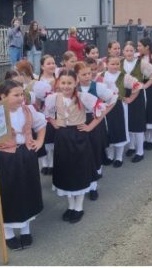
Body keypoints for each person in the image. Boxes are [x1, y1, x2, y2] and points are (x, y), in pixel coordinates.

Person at [0, 80, 45, 251]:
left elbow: (41, 125)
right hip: (4, 159)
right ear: (3, 96)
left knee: (26, 192)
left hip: (26, 155)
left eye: (22, 94)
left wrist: (39, 141)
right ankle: (8, 233)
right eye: (16, 95)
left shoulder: (28, 110)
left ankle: (25, 229)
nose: (20, 98)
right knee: (7, 194)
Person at [44, 71, 104, 224]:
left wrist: (90, 126)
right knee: (66, 170)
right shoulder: (53, 98)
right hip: (62, 137)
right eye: (63, 83)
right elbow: (47, 113)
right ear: (58, 83)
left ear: (75, 82)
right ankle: (70, 206)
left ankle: (79, 207)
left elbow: (101, 111)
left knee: (79, 170)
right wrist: (54, 123)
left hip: (79, 136)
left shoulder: (84, 97)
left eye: (69, 83)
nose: (66, 86)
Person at [76, 60, 111, 201]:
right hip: (78, 122)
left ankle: (93, 187)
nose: (87, 76)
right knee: (83, 153)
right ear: (77, 75)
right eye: (83, 74)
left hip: (94, 121)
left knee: (95, 151)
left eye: (89, 73)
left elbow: (112, 99)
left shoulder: (98, 87)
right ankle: (84, 182)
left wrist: (101, 113)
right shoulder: (74, 88)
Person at [98, 54, 137, 168]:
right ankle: (110, 155)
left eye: (117, 64)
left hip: (119, 106)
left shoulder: (124, 76)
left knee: (119, 130)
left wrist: (130, 98)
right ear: (107, 64)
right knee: (108, 130)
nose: (115, 66)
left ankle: (119, 157)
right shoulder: (101, 76)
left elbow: (137, 85)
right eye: (112, 64)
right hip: (105, 106)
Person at [119, 41, 149, 163]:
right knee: (128, 121)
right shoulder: (120, 63)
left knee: (138, 123)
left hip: (138, 94)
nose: (129, 52)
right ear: (123, 52)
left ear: (134, 52)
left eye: (131, 50)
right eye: (127, 50)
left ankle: (140, 151)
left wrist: (145, 85)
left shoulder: (141, 63)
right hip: (124, 94)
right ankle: (131, 147)